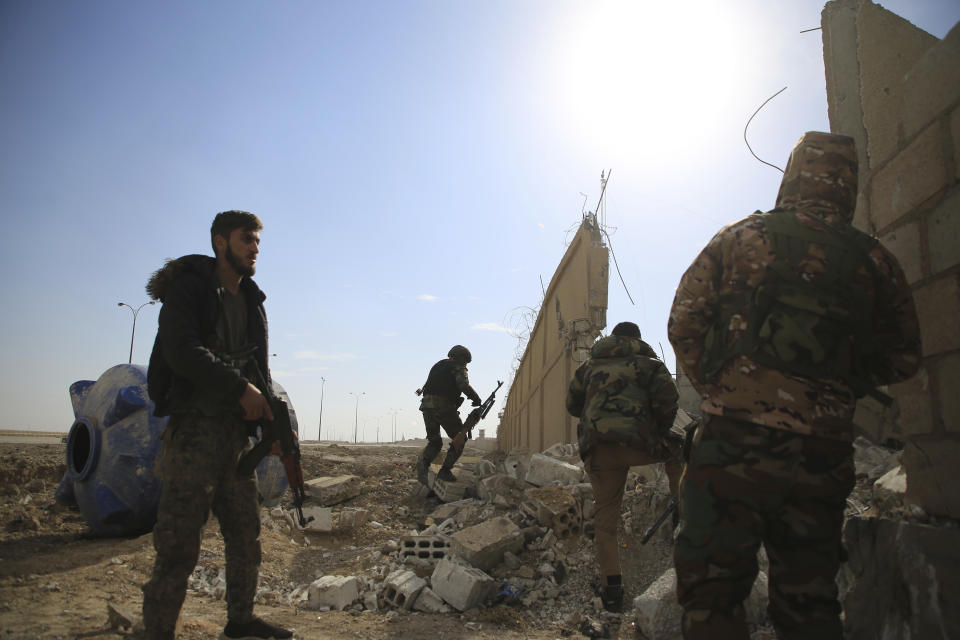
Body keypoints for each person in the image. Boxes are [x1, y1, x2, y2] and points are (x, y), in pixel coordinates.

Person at [668, 132, 921, 640]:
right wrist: (836, 390)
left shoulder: (741, 238)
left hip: (733, 443)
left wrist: (718, 389)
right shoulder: (874, 261)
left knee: (711, 593)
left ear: (792, 175)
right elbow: (903, 357)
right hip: (821, 454)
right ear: (848, 184)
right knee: (808, 599)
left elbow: (684, 323)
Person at [142, 211, 293, 640]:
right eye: (247, 239)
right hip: (194, 430)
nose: (255, 248)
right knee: (179, 542)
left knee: (246, 535)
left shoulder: (251, 301)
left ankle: (240, 621)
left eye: (258, 241)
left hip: (233, 439)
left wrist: (275, 426)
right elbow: (181, 351)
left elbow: (258, 373)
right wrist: (238, 388)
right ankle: (156, 631)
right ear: (220, 242)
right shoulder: (191, 288)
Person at [565, 321, 682, 612]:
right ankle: (680, 502)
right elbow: (669, 402)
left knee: (606, 524)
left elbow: (571, 405)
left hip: (599, 450)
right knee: (681, 449)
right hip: (642, 444)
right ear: (637, 339)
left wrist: (599, 420)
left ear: (612, 338)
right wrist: (657, 429)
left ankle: (612, 591)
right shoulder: (650, 364)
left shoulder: (588, 367)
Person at [415, 345, 482, 483]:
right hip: (443, 406)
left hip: (427, 406)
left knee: (435, 442)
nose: (465, 364)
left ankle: (423, 463)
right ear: (462, 358)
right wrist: (476, 398)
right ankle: (445, 471)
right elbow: (463, 385)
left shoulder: (438, 365)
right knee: (460, 438)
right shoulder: (458, 366)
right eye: (465, 362)